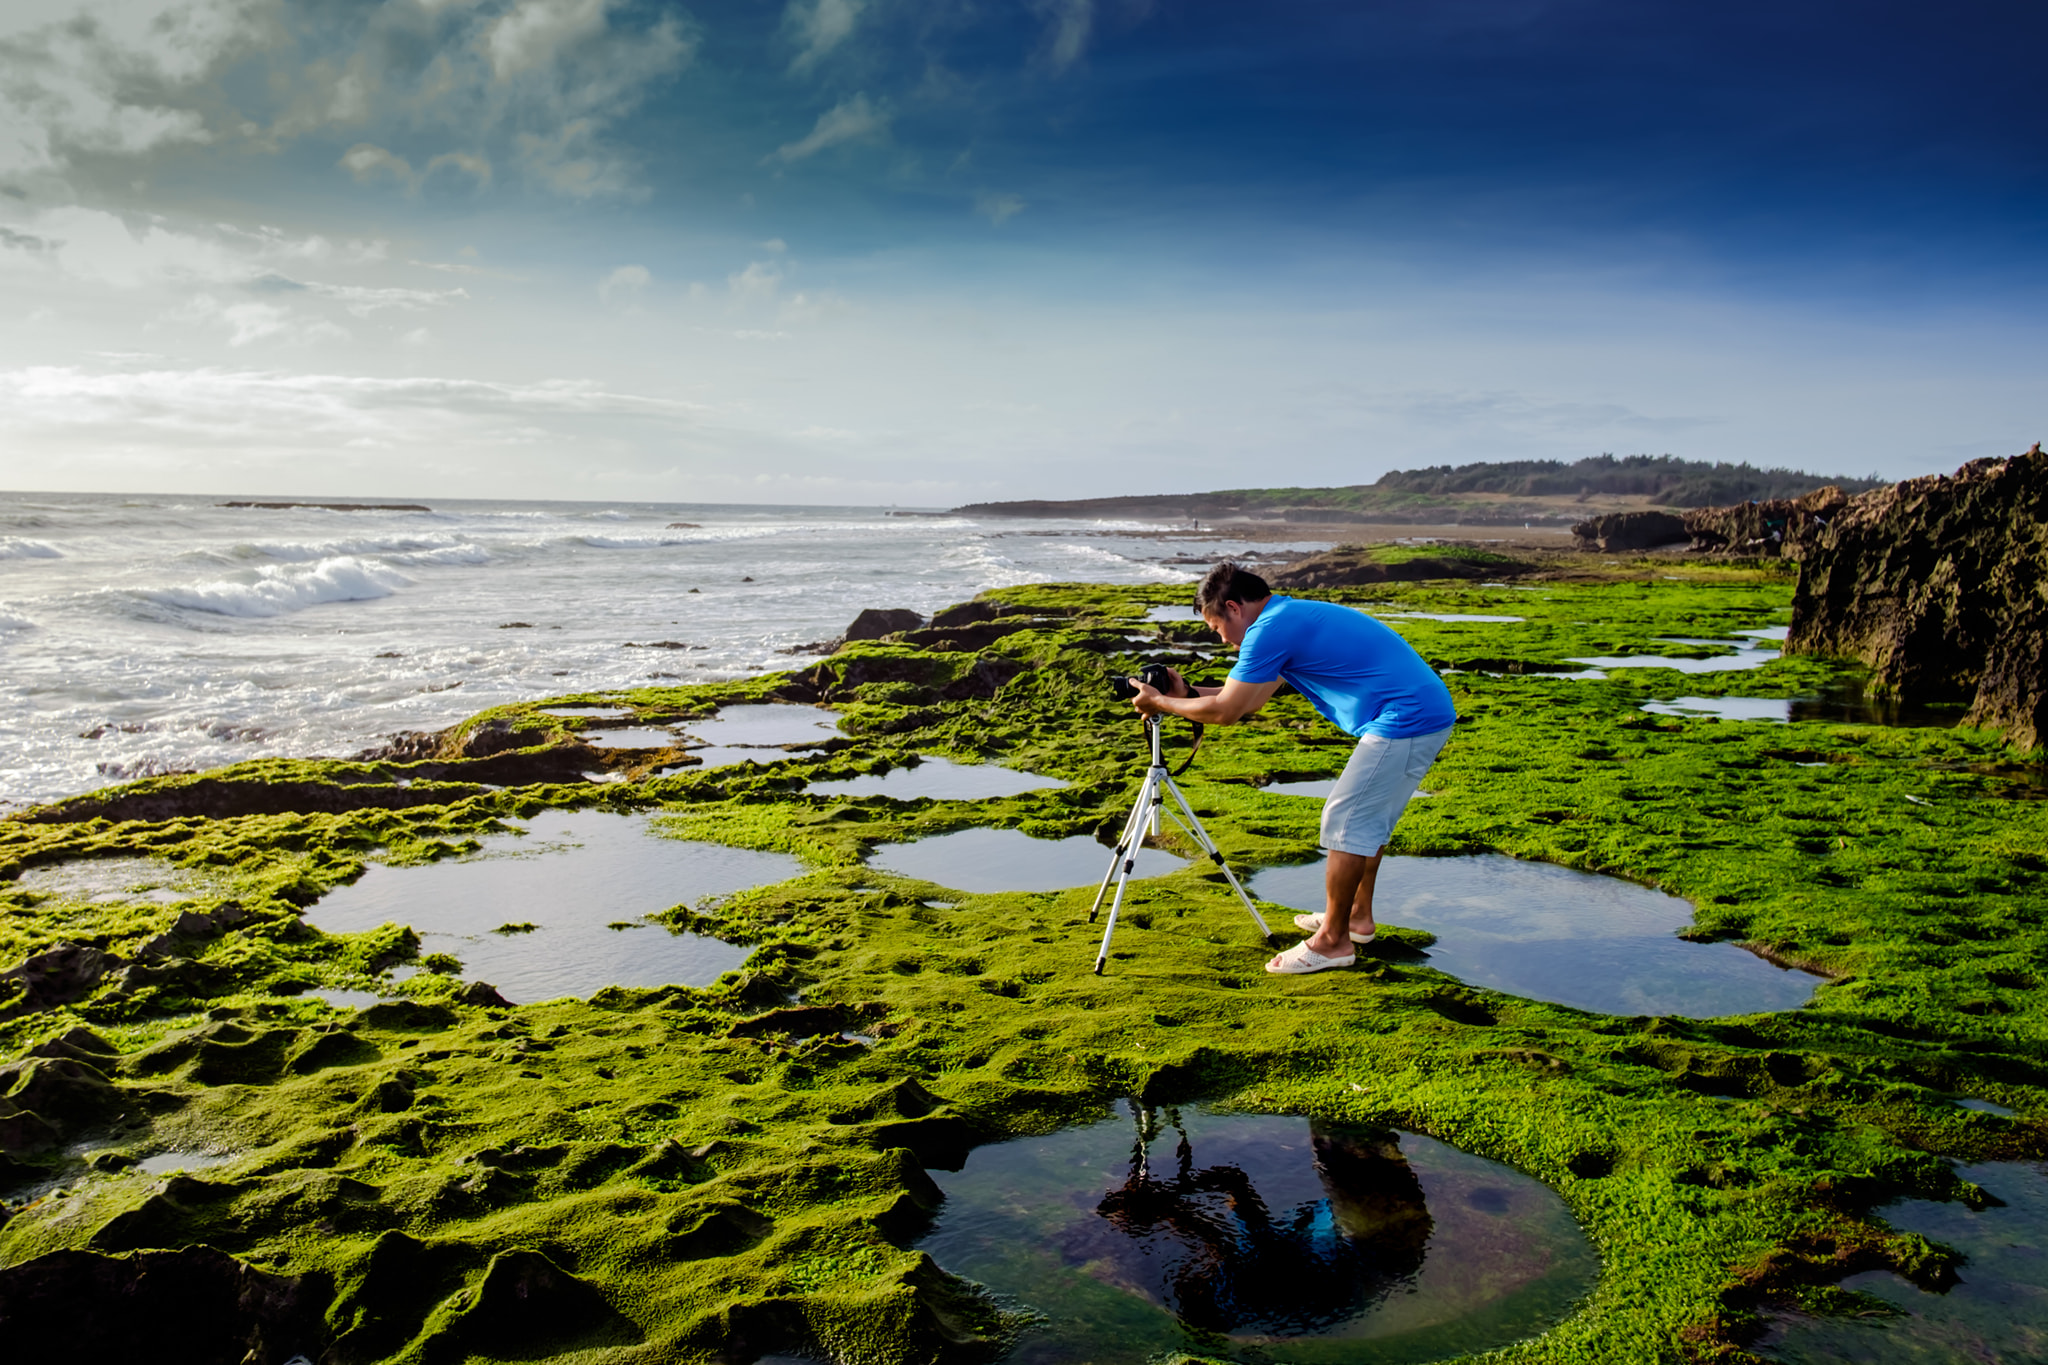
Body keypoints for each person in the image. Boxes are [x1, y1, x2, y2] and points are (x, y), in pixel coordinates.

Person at [1129, 561, 1456, 974]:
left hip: (1406, 718)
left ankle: (1333, 942)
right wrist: (1187, 694)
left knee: (1346, 820)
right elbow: (1251, 696)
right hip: (1419, 712)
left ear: (1233, 607)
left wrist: (1159, 703)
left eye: (1217, 628)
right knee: (1365, 821)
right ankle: (1355, 919)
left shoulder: (1270, 629)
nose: (1226, 641)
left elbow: (1228, 710)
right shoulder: (1287, 616)